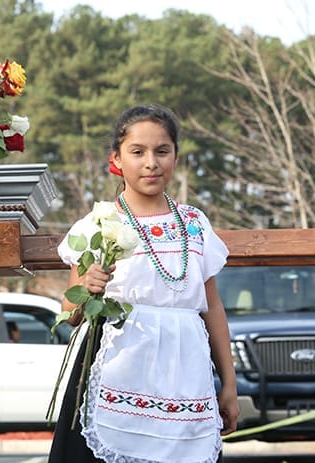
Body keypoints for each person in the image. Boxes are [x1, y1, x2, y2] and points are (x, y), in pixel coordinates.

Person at [48, 104, 239, 463]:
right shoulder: (98, 224)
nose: (151, 162)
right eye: (137, 152)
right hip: (117, 367)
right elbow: (70, 314)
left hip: (186, 373)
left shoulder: (195, 223)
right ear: (117, 159)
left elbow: (212, 309)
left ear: (176, 159)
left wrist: (229, 384)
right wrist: (88, 287)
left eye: (162, 151)